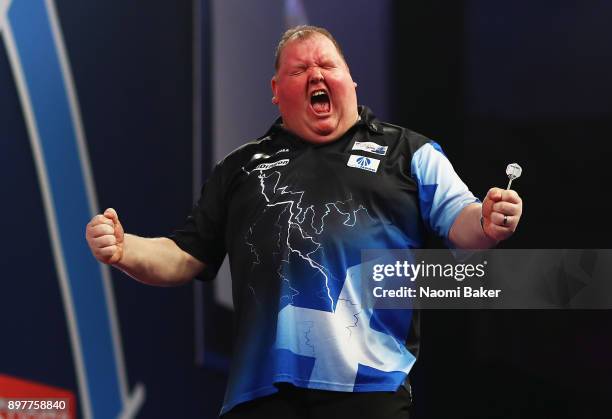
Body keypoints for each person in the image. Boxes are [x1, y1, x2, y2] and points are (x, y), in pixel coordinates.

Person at [85, 25, 523, 418]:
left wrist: (487, 222)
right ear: (276, 89)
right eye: (299, 71)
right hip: (259, 394)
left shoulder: (409, 152)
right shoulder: (239, 169)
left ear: (351, 79)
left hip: (367, 387)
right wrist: (126, 249)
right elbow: (185, 255)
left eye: (327, 65)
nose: (316, 75)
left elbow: (463, 228)